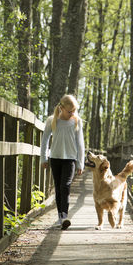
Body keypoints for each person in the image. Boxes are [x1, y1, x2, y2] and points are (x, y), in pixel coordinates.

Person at [40, 94, 85, 230]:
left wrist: (80, 163)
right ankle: (61, 217)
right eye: (69, 111)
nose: (72, 113)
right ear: (61, 108)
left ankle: (65, 216)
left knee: (65, 186)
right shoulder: (52, 121)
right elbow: (45, 140)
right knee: (58, 188)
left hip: (70, 159)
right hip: (55, 158)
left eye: (74, 110)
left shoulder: (76, 121)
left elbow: (80, 143)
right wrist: (44, 158)